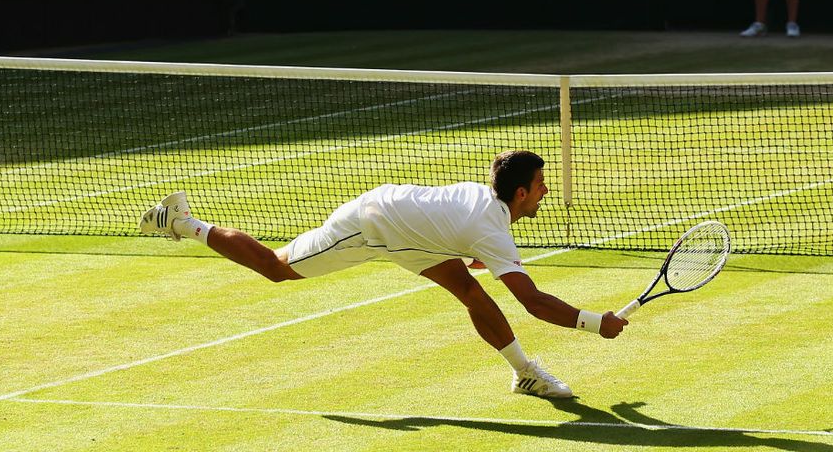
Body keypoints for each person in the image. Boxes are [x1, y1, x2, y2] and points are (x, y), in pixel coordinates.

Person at [137, 150, 627, 398]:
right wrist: (593, 322)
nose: (546, 192)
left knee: (472, 292)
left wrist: (463, 248)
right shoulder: (491, 229)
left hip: (409, 233)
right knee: (276, 268)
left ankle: (525, 375)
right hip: (371, 226)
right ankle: (180, 221)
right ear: (519, 194)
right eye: (541, 186)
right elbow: (535, 303)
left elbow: (455, 228)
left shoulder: (489, 209)